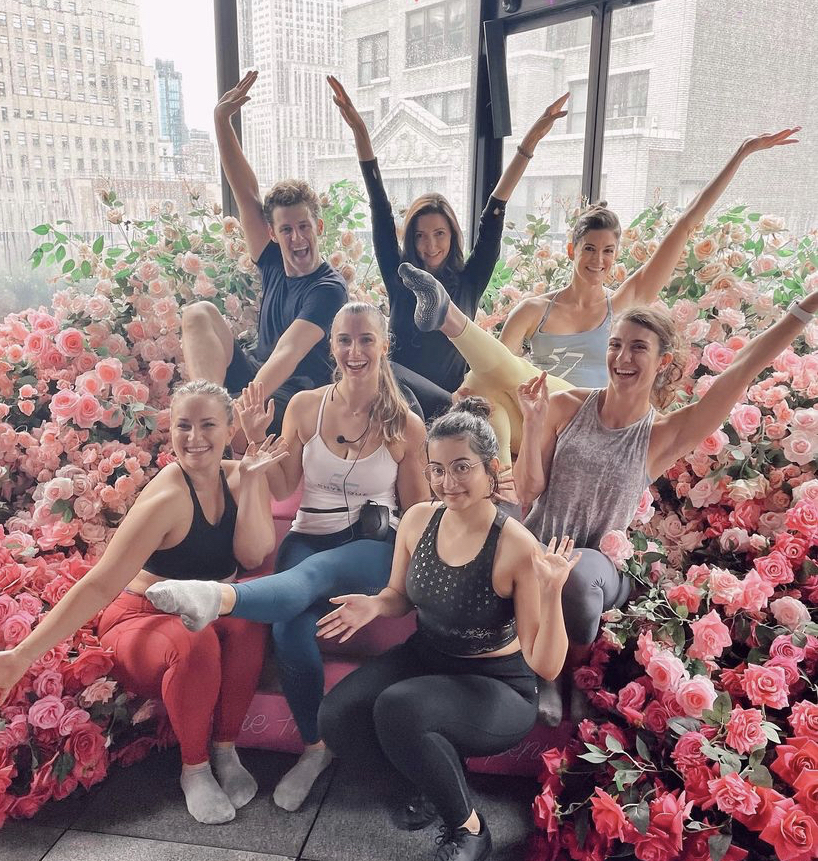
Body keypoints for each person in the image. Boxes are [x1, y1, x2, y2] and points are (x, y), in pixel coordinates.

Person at [145, 301, 430, 812]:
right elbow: (283, 485)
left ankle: (219, 598)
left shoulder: (404, 425)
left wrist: (405, 579)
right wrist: (256, 439)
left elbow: (416, 509)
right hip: (308, 533)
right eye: (344, 339)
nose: (354, 350)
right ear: (332, 346)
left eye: (366, 339)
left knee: (314, 572)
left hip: (370, 548)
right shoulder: (304, 405)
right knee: (291, 631)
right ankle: (314, 749)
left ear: (384, 345)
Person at [397, 127, 800, 466]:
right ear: (573, 251)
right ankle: (501, 472)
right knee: (491, 395)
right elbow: (492, 373)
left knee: (499, 380)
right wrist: (470, 390)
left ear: (617, 256)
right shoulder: (533, 310)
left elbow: (686, 226)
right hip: (534, 428)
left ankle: (448, 315)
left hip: (584, 423)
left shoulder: (621, 306)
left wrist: (741, 154)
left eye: (608, 251)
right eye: (589, 249)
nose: (598, 260)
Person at [511, 288, 818, 724]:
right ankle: (537, 670)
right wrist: (533, 421)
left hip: (597, 568)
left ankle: (569, 675)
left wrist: (805, 307)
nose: (623, 357)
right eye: (616, 344)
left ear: (663, 362)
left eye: (639, 347)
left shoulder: (664, 434)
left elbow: (745, 367)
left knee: (575, 577)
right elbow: (527, 491)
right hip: (539, 545)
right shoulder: (564, 405)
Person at [0, 381, 288, 824]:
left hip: (208, 608)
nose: (194, 438)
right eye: (183, 426)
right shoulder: (169, 499)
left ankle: (225, 748)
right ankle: (195, 768)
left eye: (208, 425)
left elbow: (252, 554)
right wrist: (22, 654)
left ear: (230, 429)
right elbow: (99, 585)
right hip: (142, 618)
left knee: (247, 624)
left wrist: (251, 477)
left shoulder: (238, 474)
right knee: (196, 639)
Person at [316, 398, 579, 861]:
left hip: (497, 684)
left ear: (491, 468)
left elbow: (545, 662)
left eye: (462, 467)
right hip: (427, 656)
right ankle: (424, 780)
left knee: (400, 707)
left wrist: (553, 591)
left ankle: (471, 829)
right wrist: (375, 605)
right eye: (437, 469)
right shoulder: (418, 519)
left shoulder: (515, 545)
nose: (447, 482)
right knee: (338, 715)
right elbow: (398, 596)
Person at [327, 75, 568, 421]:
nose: (430, 245)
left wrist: (529, 143)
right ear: (411, 239)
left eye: (439, 234)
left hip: (453, 406)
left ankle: (454, 398)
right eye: (421, 236)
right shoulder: (401, 278)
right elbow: (380, 210)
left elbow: (494, 213)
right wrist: (360, 132)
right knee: (384, 366)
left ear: (453, 236)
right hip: (399, 404)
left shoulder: (470, 280)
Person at [182, 69, 348, 435]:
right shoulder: (272, 259)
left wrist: (239, 413)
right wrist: (221, 120)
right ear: (272, 234)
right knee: (198, 313)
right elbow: (246, 192)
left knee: (250, 409)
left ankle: (215, 429)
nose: (297, 238)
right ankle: (205, 409)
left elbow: (288, 354)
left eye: (304, 227)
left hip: (299, 395)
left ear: (318, 228)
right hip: (259, 375)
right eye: (286, 230)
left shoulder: (329, 289)